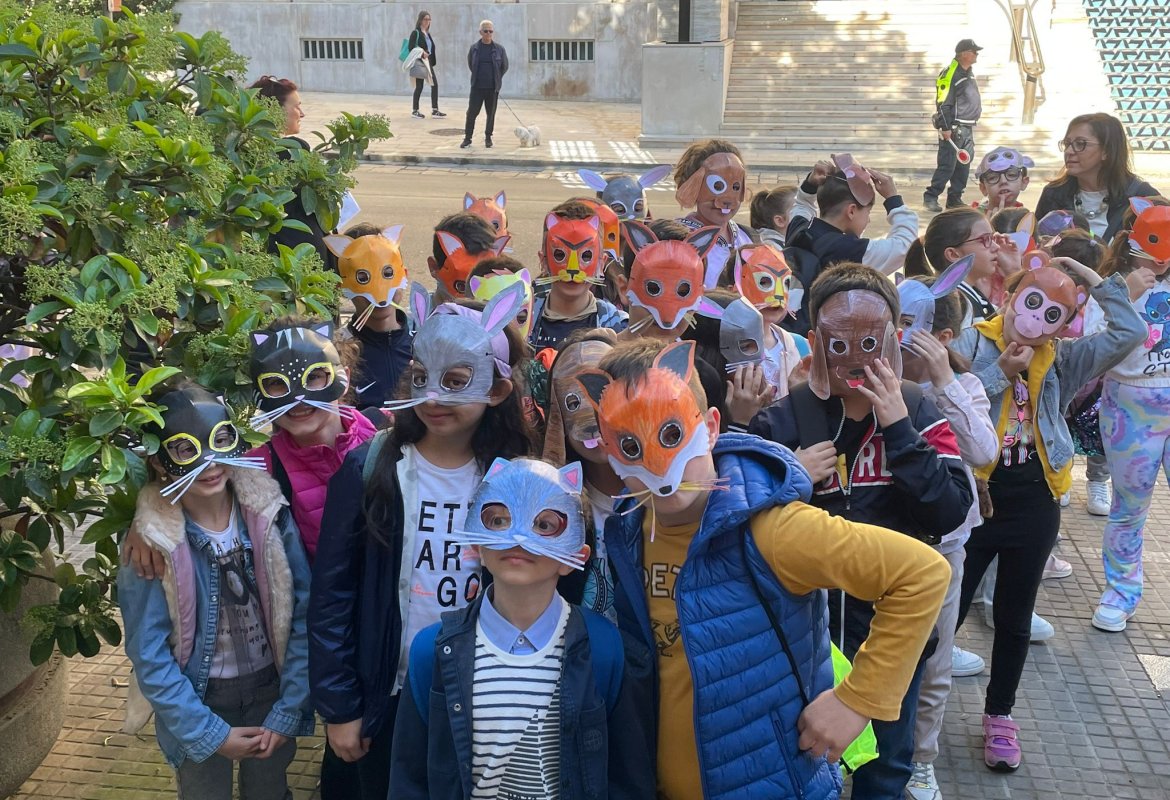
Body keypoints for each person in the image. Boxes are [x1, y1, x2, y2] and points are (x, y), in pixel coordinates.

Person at [578, 338, 950, 800]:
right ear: (608, 450)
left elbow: (921, 574)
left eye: (672, 435)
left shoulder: (771, 529)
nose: (658, 465)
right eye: (630, 445)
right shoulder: (631, 531)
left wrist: (857, 701)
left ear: (710, 428)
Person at [749, 264, 973, 799]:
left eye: (870, 342)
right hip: (803, 636)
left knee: (887, 765)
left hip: (892, 638)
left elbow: (949, 511)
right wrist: (790, 475)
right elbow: (742, 525)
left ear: (892, 340)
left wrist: (900, 430)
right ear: (815, 342)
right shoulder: (781, 421)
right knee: (799, 760)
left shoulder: (917, 410)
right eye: (839, 343)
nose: (855, 358)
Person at [308, 284, 534, 800]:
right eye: (421, 376)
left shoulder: (513, 474)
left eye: (456, 381)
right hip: (388, 693)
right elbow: (333, 595)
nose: (433, 398)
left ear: (496, 389)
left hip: (481, 690)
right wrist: (340, 706)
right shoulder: (370, 468)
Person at [952, 256, 1144, 770]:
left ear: (1064, 326)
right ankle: (910, 716)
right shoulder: (972, 342)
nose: (1035, 320)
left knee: (1014, 618)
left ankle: (1000, 717)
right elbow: (946, 404)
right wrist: (1001, 373)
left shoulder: (1062, 358)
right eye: (1031, 302)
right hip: (973, 496)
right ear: (1010, 296)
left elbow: (1129, 332)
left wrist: (1093, 278)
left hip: (1035, 499)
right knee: (944, 617)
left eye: (1053, 314)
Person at [388, 457, 655, 799]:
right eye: (497, 520)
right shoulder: (433, 652)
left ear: (576, 557)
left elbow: (627, 779)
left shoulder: (606, 650)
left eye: (545, 525)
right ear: (476, 544)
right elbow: (408, 779)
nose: (518, 537)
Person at [118, 383, 314, 800]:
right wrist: (204, 732)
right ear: (158, 460)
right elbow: (147, 650)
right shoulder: (151, 543)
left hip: (270, 691)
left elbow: (303, 611)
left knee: (270, 791)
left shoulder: (270, 513)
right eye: (185, 449)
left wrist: (290, 706)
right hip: (197, 699)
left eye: (220, 439)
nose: (210, 462)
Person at [895, 267, 1000, 800]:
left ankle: (921, 759)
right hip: (881, 538)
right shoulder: (875, 375)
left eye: (910, 324)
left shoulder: (964, 386)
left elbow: (983, 451)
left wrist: (943, 382)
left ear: (941, 336)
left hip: (944, 547)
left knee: (935, 663)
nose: (899, 335)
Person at [1085, 197, 1170, 631]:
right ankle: (1120, 592)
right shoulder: (1111, 286)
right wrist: (1126, 296)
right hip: (1131, 406)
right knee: (1129, 507)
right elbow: (1090, 342)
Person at [249, 75, 334, 271]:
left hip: (270, 254)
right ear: (275, 110)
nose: (301, 114)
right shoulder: (294, 149)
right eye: (296, 107)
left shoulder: (245, 153)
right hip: (304, 251)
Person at [786, 154, 919, 276]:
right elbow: (905, 246)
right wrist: (893, 198)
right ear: (851, 211)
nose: (869, 220)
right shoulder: (851, 251)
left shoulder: (798, 228)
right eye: (868, 212)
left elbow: (802, 204)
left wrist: (810, 185)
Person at [1036, 113, 1159, 243]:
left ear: (1107, 151)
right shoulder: (1053, 194)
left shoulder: (1142, 198)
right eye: (1067, 144)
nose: (1069, 151)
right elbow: (1035, 244)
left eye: (1080, 144)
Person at [529, 200, 627, 350]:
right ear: (543, 261)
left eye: (586, 256)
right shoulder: (523, 318)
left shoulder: (617, 326)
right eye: (560, 255)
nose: (573, 269)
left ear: (601, 263)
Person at [672, 139, 755, 288]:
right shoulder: (677, 241)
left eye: (735, 187)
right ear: (693, 186)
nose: (727, 199)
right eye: (717, 186)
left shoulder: (749, 237)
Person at [925, 39, 983, 213]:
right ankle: (931, 197)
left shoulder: (968, 73)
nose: (977, 54)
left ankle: (955, 198)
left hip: (967, 128)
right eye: (974, 51)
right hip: (954, 128)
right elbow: (943, 102)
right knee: (947, 166)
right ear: (964, 54)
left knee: (963, 166)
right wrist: (945, 127)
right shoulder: (950, 74)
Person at [429, 212, 505, 304]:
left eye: (484, 286)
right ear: (433, 268)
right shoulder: (416, 312)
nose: (475, 299)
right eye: (462, 287)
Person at [461, 19, 507, 149]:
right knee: (471, 113)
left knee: (490, 114)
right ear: (480, 32)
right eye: (486, 31)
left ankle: (488, 137)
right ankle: (468, 138)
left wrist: (496, 79)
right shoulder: (474, 48)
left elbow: (504, 66)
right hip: (477, 87)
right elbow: (471, 64)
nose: (488, 34)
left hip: (492, 88)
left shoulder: (499, 49)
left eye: (491, 31)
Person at [973, 147, 1033, 214]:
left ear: (1024, 182)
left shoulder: (1026, 216)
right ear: (983, 188)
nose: (1003, 181)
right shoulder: (971, 216)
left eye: (1011, 175)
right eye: (993, 177)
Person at [409, 11, 446, 119]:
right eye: (425, 19)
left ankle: (435, 110)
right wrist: (421, 53)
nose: (427, 21)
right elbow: (411, 47)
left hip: (428, 62)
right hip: (420, 62)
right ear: (420, 20)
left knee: (434, 84)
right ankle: (415, 110)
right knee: (419, 86)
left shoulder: (427, 33)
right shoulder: (415, 33)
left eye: (429, 19)